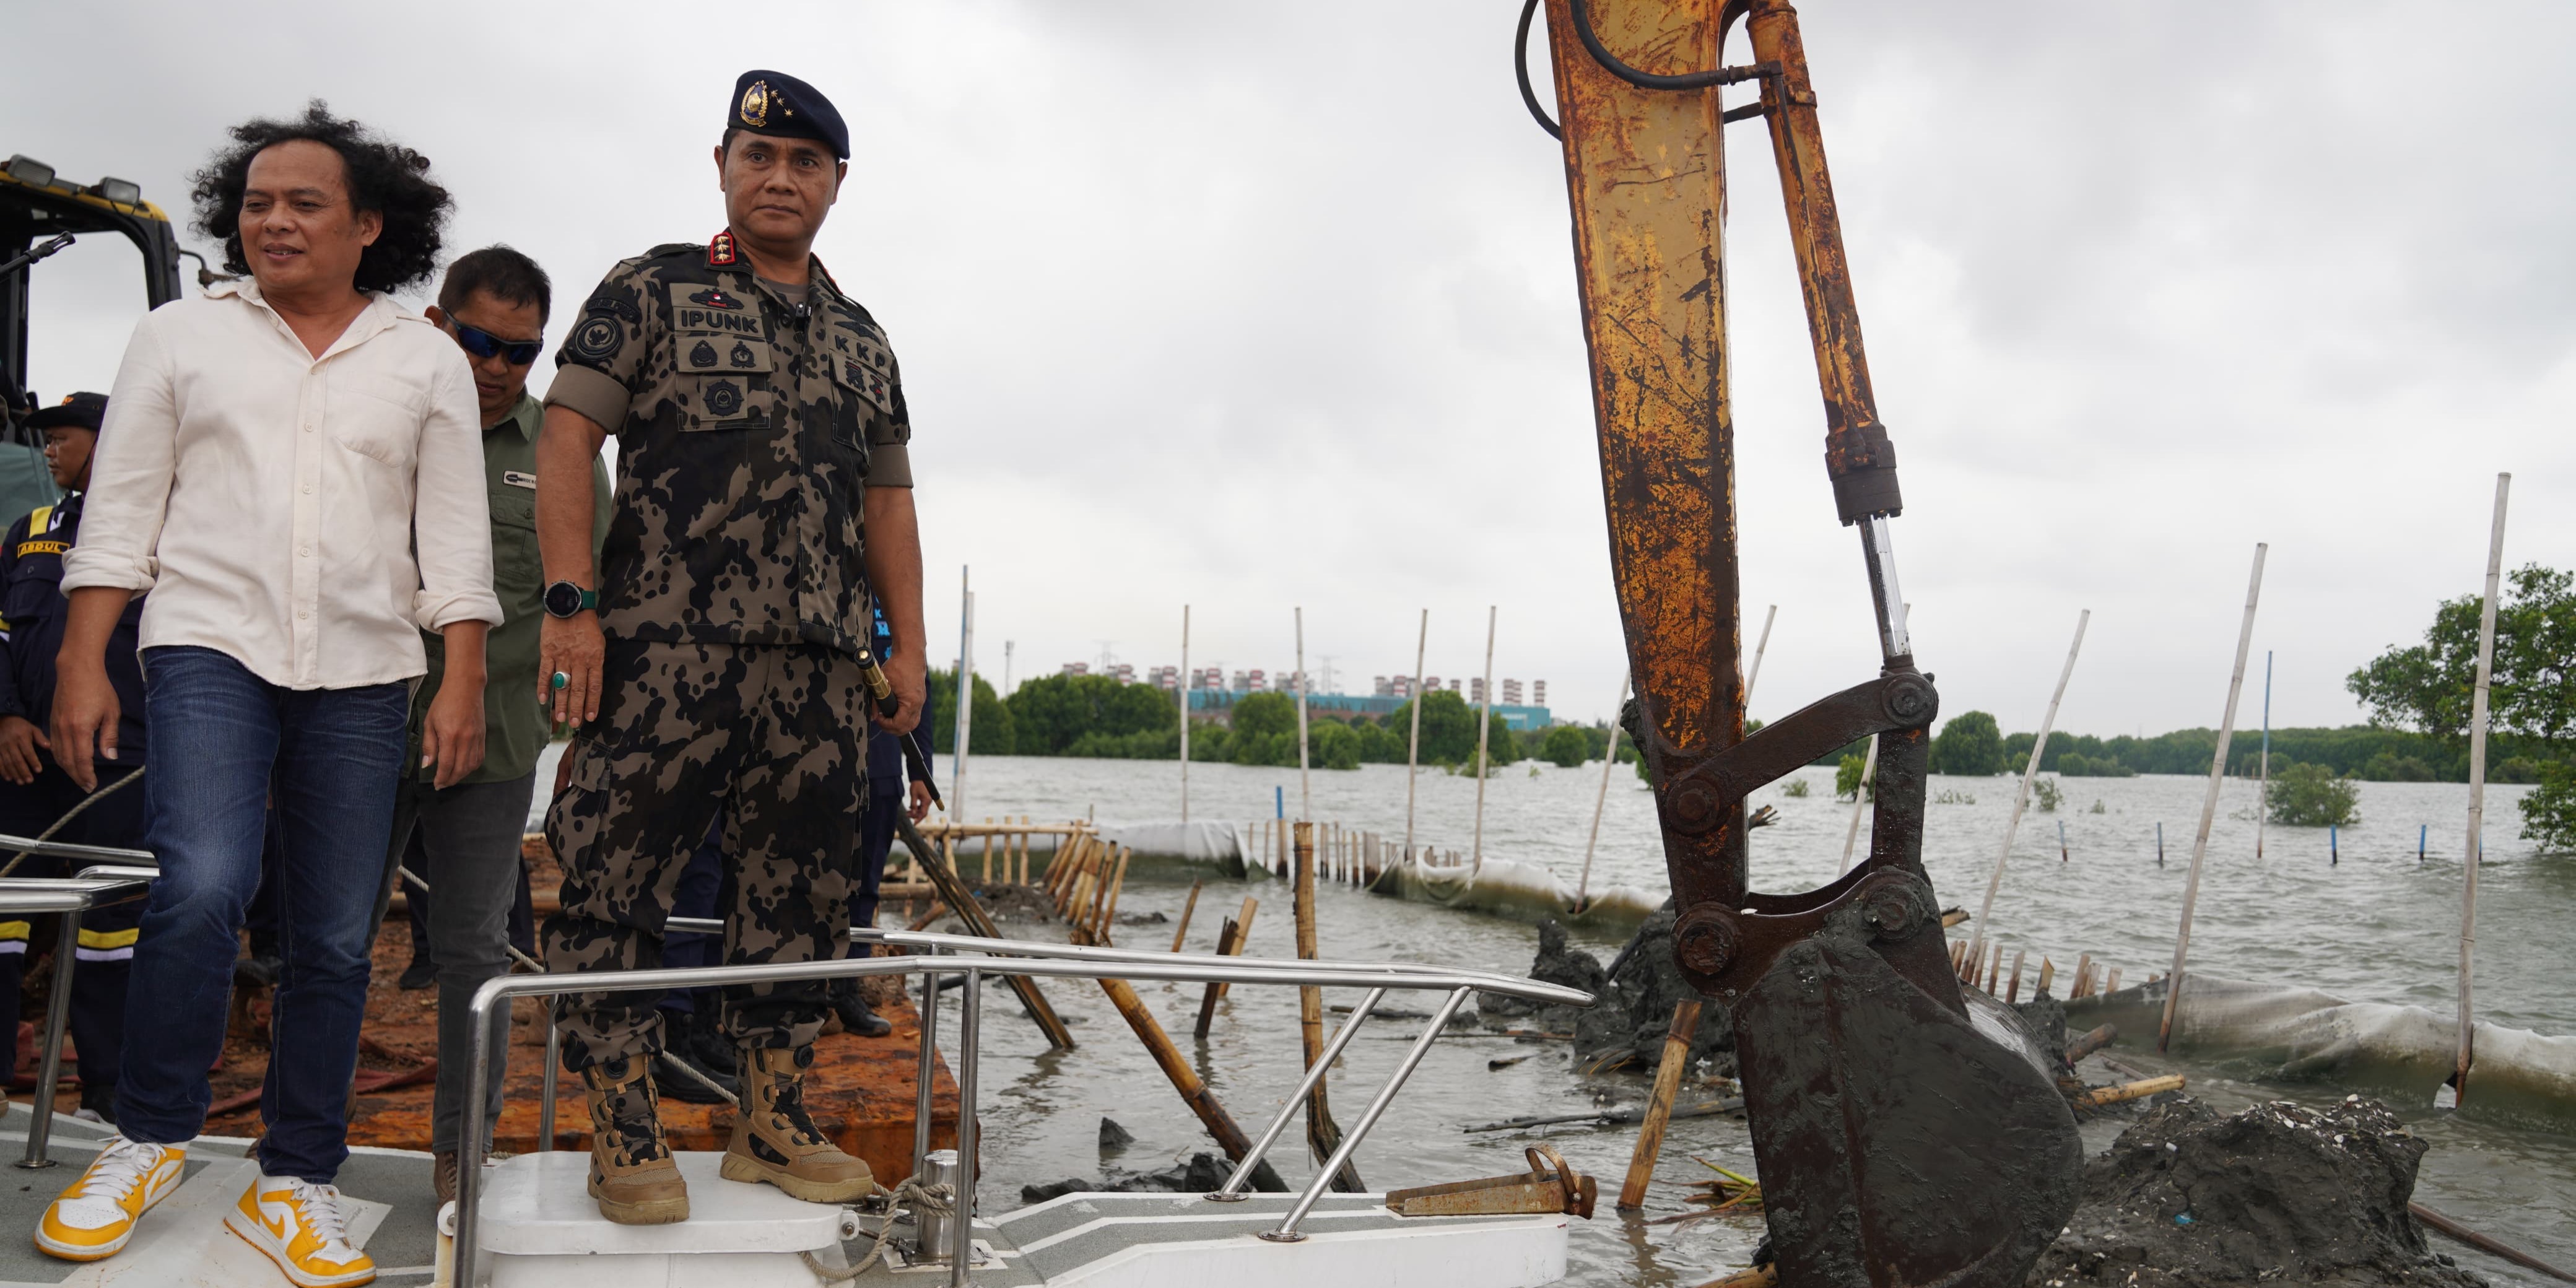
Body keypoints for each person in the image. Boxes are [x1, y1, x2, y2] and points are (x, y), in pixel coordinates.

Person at [41, 103, 501, 1286]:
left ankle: (296, 1178)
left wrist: (459, 680)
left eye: (304, 203)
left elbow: (454, 547)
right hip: (206, 649)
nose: (275, 220)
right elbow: (122, 515)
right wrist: (80, 659)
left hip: (365, 672)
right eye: (256, 203)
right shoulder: (179, 337)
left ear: (368, 226)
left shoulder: (425, 360)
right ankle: (147, 1138)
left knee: (339, 939)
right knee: (198, 885)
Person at [534, 69, 925, 1225]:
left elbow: (890, 507)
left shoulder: (863, 338)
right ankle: (621, 1119)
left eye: (805, 163)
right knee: (616, 885)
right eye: (759, 158)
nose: (780, 178)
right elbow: (567, 439)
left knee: (798, 897)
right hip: (662, 653)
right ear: (723, 167)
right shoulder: (651, 289)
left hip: (816, 671)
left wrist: (907, 653)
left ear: (836, 185)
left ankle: (770, 1114)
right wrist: (570, 602)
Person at [381, 245, 610, 1205]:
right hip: (354, 725)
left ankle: (458, 1158)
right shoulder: (375, 419)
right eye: (478, 342)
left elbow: (593, 606)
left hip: (496, 741)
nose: (496, 368)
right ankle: (294, 1145)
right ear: (438, 326)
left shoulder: (557, 460)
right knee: (327, 941)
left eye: (521, 353)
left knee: (474, 953)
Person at [0, 392, 146, 1123]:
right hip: (23, 759)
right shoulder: (25, 531)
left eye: (62, 438)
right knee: (5, 913)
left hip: (117, 758)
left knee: (110, 924)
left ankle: (107, 1095)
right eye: (46, 440)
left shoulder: (155, 529)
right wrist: (7, 717)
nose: (49, 451)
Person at [830, 603, 935, 1039]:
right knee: (809, 882)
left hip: (883, 764)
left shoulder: (895, 602)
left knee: (864, 887)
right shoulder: (825, 577)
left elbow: (919, 684)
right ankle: (797, 989)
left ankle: (845, 990)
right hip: (821, 759)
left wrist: (921, 772)